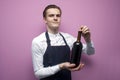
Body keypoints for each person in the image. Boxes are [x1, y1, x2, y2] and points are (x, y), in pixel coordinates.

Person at [32, 4, 95, 80]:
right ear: (45, 19)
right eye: (51, 15)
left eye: (58, 16)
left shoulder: (68, 38)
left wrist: (88, 39)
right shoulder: (38, 41)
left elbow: (90, 52)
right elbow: (38, 73)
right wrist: (61, 66)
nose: (55, 18)